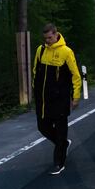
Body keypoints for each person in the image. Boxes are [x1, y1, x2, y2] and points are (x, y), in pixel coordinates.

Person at [33, 23, 81, 175]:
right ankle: (64, 144)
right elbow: (35, 71)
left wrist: (76, 97)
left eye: (49, 37)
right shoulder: (40, 50)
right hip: (43, 100)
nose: (47, 41)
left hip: (60, 100)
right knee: (43, 127)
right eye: (45, 38)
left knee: (61, 131)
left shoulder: (66, 52)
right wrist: (35, 90)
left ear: (56, 34)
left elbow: (76, 75)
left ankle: (59, 162)